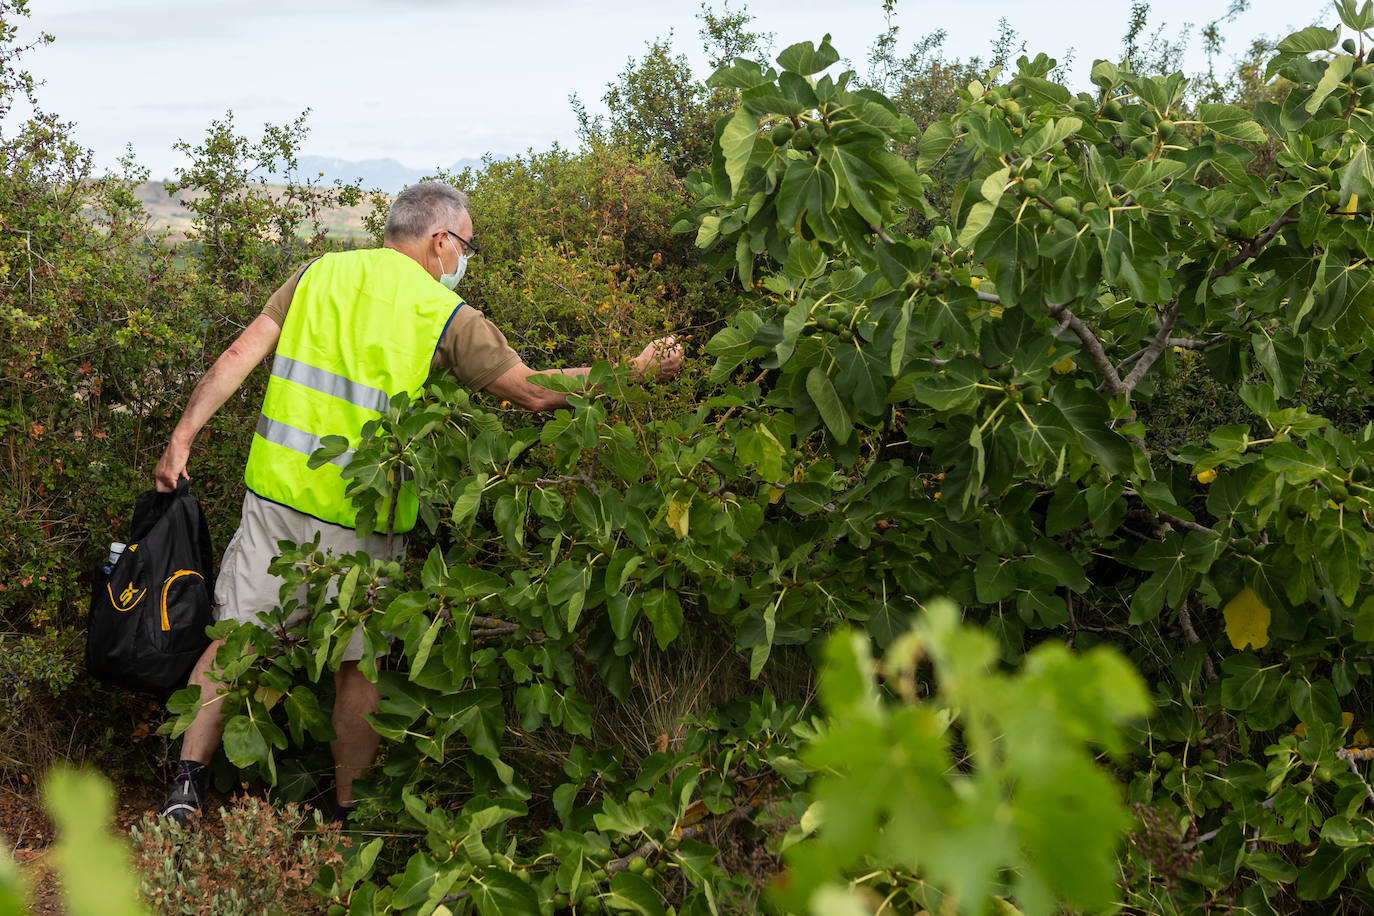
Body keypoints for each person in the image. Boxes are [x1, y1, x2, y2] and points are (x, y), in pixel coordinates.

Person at [154, 181, 682, 826]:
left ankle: (185, 788)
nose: (466, 259)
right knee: (358, 667)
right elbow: (535, 392)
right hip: (366, 520)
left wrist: (180, 441)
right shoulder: (445, 315)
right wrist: (634, 368)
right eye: (467, 245)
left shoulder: (319, 272)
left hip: (276, 499)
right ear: (440, 241)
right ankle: (349, 819)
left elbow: (240, 353)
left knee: (235, 642)